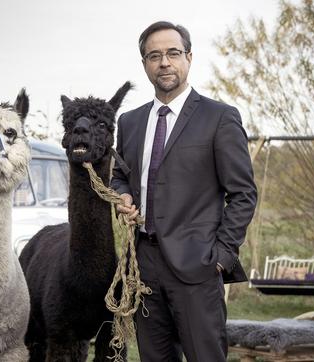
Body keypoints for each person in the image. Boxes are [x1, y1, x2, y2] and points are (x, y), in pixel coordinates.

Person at [111, 21, 257, 361]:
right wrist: (123, 195)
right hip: (143, 266)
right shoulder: (129, 122)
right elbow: (120, 176)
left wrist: (220, 257)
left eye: (173, 53)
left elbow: (243, 193)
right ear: (145, 63)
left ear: (188, 57)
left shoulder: (219, 117)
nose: (164, 62)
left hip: (199, 266)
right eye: (154, 55)